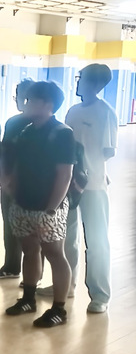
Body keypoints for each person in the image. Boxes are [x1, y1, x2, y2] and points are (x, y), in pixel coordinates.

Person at [4, 81, 75, 328]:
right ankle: (28, 299)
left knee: (54, 253)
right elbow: (19, 164)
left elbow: (64, 175)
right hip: (23, 202)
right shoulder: (27, 131)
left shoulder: (62, 133)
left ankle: (59, 309)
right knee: (30, 250)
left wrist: (51, 209)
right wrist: (12, 189)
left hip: (49, 206)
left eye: (31, 100)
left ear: (47, 104)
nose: (26, 104)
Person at [61, 63, 118, 313]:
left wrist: (89, 171)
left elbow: (108, 152)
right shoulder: (72, 111)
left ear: (96, 84)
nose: (78, 82)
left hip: (93, 186)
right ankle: (67, 285)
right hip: (68, 184)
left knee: (97, 241)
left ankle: (100, 295)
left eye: (82, 78)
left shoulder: (106, 113)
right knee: (67, 238)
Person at [0, 78, 34, 279]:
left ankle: (33, 274)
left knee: (31, 230)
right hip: (7, 183)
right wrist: (4, 177)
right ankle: (11, 266)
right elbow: (5, 151)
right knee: (9, 225)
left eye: (21, 96)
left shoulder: (39, 125)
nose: (18, 100)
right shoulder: (12, 122)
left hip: (29, 184)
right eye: (16, 96)